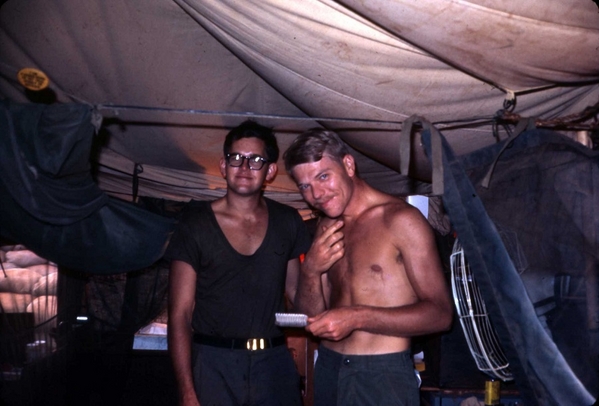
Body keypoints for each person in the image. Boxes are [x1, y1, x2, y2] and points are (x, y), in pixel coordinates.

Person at [283, 128, 453, 406]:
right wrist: (311, 270)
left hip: (382, 374)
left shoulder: (401, 220)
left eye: (323, 176)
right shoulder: (326, 226)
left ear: (348, 165)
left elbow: (441, 315)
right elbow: (311, 318)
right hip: (328, 367)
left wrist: (357, 317)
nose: (316, 194)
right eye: (305, 186)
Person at [166, 120, 312, 406]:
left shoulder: (288, 221)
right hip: (213, 363)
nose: (244, 167)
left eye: (256, 160)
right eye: (236, 158)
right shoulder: (195, 225)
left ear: (270, 171)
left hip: (273, 363)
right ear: (223, 165)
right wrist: (187, 391)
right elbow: (180, 316)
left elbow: (298, 295)